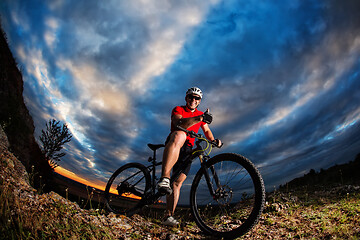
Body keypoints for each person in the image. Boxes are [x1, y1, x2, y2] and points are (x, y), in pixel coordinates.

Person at [157, 87, 222, 226]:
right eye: (191, 97)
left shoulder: (200, 114)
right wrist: (200, 118)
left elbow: (207, 130)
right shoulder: (179, 109)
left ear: (199, 101)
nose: (193, 100)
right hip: (175, 142)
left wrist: (214, 140)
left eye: (197, 98)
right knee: (181, 134)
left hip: (188, 148)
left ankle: (168, 216)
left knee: (177, 183)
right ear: (186, 98)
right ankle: (164, 178)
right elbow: (178, 123)